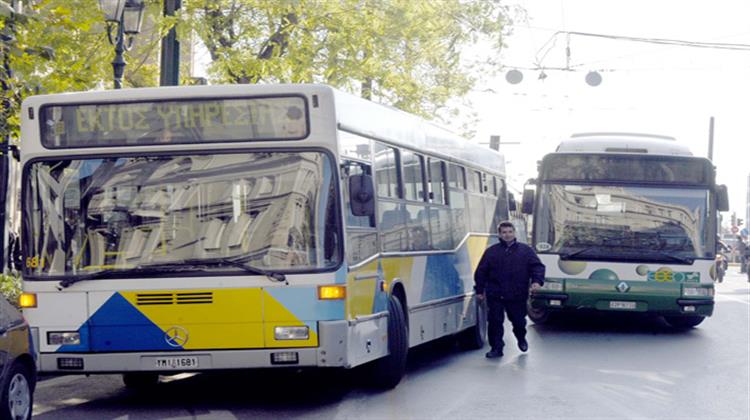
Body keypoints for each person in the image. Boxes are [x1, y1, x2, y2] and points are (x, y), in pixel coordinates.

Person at [474, 221, 545, 358]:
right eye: (504, 232)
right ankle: (496, 348)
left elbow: (537, 267)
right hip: (495, 293)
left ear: (514, 233)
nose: (507, 235)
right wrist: (479, 290)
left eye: (510, 232)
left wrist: (537, 282)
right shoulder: (491, 252)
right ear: (500, 234)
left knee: (518, 321)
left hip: (517, 293)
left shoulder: (525, 251)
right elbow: (481, 272)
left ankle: (521, 338)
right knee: (495, 322)